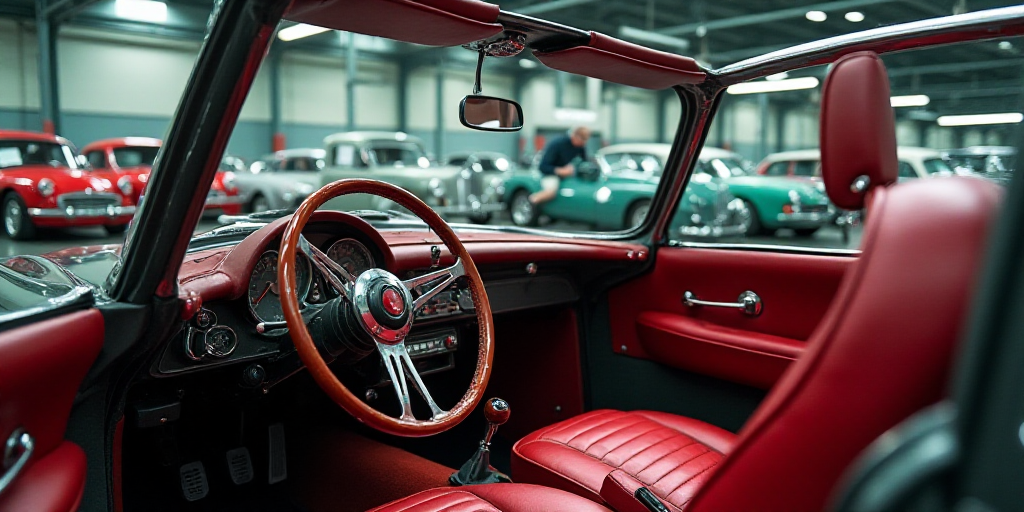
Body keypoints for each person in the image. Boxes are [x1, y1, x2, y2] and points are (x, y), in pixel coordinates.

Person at [530, 126, 591, 205]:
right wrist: (560, 171)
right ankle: (532, 200)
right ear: (575, 136)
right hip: (551, 175)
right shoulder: (557, 144)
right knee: (551, 191)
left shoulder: (580, 147)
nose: (583, 143)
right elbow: (543, 167)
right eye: (582, 140)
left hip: (569, 175)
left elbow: (585, 161)